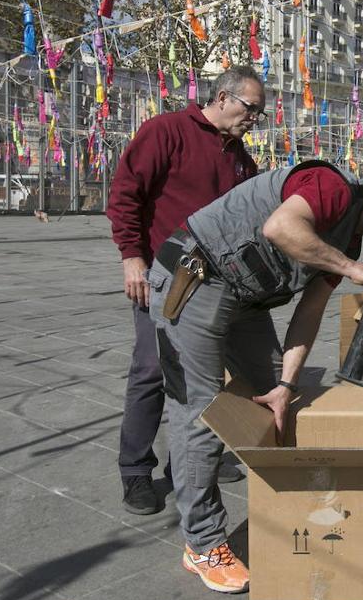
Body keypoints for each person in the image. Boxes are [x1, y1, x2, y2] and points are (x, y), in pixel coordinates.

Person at [147, 162, 363, 594]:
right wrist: (354, 271)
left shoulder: (347, 243)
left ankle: (283, 504)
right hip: (194, 282)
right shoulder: (331, 188)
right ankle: (202, 543)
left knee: (266, 403)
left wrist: (286, 387)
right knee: (203, 414)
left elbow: (309, 313)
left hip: (242, 301)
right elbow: (280, 228)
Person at [106, 66, 263, 516]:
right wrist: (132, 257)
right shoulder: (166, 131)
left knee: (204, 380)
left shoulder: (239, 157)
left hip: (214, 285)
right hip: (162, 276)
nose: (253, 119)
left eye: (259, 113)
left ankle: (186, 464)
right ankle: (136, 471)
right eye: (250, 108)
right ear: (222, 97)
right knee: (153, 372)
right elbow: (125, 195)